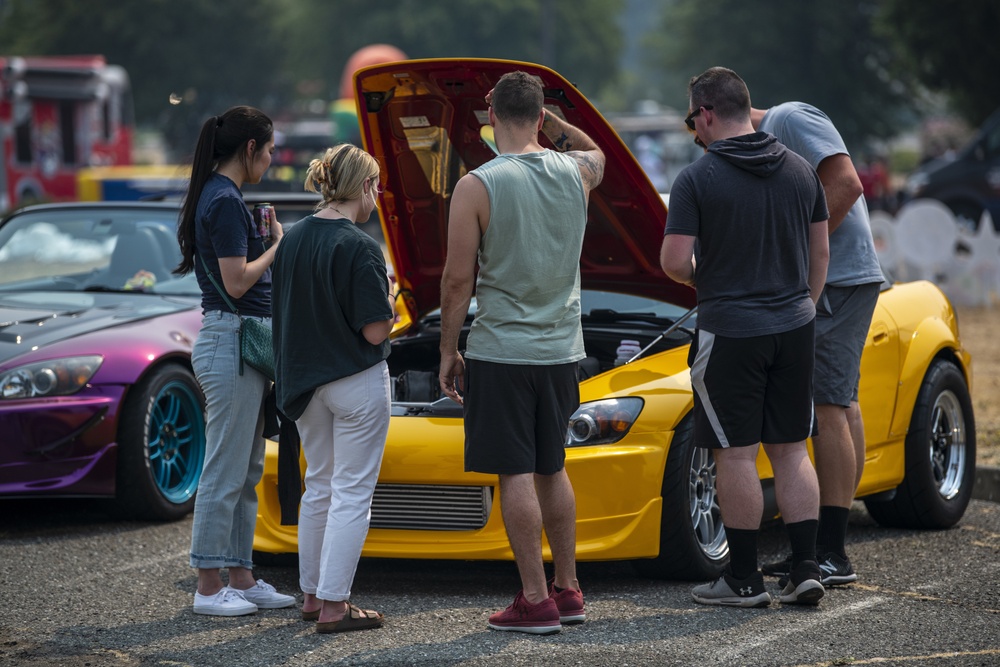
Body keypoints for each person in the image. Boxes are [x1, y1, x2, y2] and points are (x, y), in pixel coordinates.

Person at [437, 71, 605, 634]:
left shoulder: (477, 185)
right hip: (563, 350)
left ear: (489, 119)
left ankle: (534, 600)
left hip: (503, 350)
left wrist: (448, 351)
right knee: (551, 466)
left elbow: (457, 282)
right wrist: (553, 121)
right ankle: (569, 589)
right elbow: (597, 152)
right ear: (539, 118)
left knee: (514, 472)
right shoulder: (576, 172)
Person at [660, 67, 830, 607]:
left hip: (730, 328)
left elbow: (672, 261)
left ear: (706, 112)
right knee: (791, 449)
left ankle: (743, 579)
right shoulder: (802, 170)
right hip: (794, 325)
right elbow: (820, 253)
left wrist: (701, 276)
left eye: (693, 119)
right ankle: (806, 566)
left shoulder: (696, 179)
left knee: (733, 455)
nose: (695, 130)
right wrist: (803, 304)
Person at [751, 102, 885, 586]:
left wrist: (798, 249)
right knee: (842, 404)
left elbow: (848, 184)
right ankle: (829, 544)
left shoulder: (788, 118)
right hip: (845, 278)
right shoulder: (774, 135)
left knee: (827, 407)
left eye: (700, 133)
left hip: (840, 279)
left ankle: (832, 554)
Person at [175, 105, 295, 616]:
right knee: (225, 468)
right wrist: (277, 246)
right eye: (268, 151)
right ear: (249, 149)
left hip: (238, 342)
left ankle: (242, 576)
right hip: (231, 341)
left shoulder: (223, 195)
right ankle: (207, 586)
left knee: (245, 468)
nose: (271, 160)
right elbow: (237, 281)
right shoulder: (224, 199)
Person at [271, 144, 396, 634]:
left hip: (303, 385)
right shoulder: (361, 245)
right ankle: (335, 606)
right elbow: (375, 331)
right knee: (352, 492)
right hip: (355, 381)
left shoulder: (293, 238)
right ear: (363, 186)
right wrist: (387, 296)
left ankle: (310, 595)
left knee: (318, 486)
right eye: (377, 185)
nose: (379, 196)